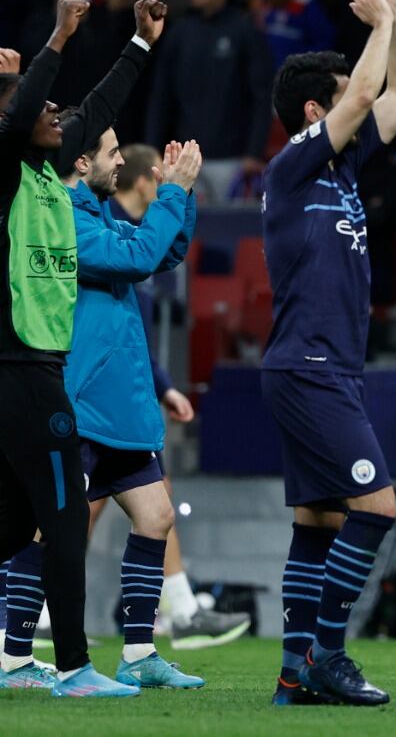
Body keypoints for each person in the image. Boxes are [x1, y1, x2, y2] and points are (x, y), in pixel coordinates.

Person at [262, 0, 396, 707]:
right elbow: (363, 92)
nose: (356, 101)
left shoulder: (345, 168)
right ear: (312, 113)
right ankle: (330, 654)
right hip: (308, 363)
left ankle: (296, 670)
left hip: (330, 366)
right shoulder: (293, 164)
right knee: (377, 507)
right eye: (341, 98)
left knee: (319, 516)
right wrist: (378, 23)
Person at [0, 0, 139, 698]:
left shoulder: (52, 174)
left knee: (14, 522)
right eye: (43, 109)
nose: (58, 116)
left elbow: (98, 101)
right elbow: (22, 111)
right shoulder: (5, 174)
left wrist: (141, 44)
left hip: (28, 372)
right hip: (23, 373)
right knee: (63, 521)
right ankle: (77, 667)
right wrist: (55, 34)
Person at [62, 128, 204, 690]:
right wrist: (171, 196)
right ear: (81, 160)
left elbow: (162, 249)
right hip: (83, 401)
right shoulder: (63, 220)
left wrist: (180, 195)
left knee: (157, 517)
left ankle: (140, 652)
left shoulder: (96, 214)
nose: (122, 160)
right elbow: (141, 257)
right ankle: (13, 650)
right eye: (112, 151)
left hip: (118, 404)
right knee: (54, 529)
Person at [109, 143, 253, 649]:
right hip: (95, 391)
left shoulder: (131, 234)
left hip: (124, 389)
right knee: (72, 508)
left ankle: (177, 610)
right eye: (107, 152)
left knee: (152, 500)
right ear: (147, 179)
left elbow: (161, 262)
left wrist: (163, 385)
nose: (112, 164)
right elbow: (151, 257)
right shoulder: (101, 225)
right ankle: (26, 611)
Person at [144, 0, 273, 201]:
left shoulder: (245, 30)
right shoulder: (179, 33)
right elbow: (161, 96)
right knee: (188, 232)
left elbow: (261, 95)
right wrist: (153, 151)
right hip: (184, 159)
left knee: (230, 234)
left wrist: (254, 153)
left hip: (233, 158)